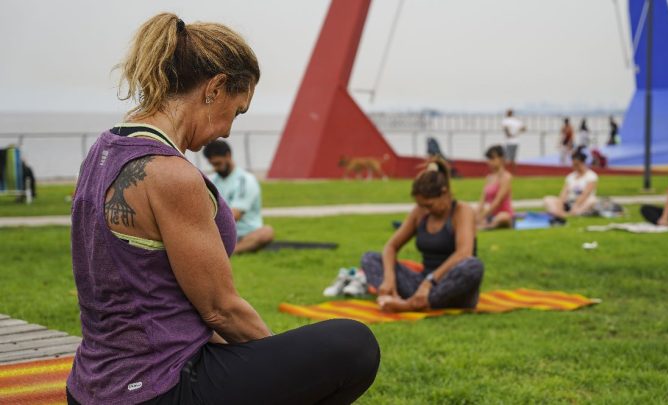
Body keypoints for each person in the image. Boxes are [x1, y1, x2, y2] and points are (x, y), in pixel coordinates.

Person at [67, 13, 379, 405]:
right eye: (238, 109)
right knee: (354, 344)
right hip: (156, 389)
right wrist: (282, 375)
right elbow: (220, 310)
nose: (230, 130)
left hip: (90, 387)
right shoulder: (171, 175)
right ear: (215, 88)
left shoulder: (104, 148)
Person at [360, 158, 483, 313]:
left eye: (429, 205)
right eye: (421, 205)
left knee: (473, 266)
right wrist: (389, 279)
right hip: (421, 285)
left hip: (452, 288)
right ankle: (397, 296)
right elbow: (391, 247)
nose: (426, 210)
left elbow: (463, 253)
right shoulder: (420, 213)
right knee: (370, 258)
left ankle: (410, 305)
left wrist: (429, 282)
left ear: (444, 193)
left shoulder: (462, 211)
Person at [204, 140, 273, 253]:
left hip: (246, 234)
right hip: (219, 233)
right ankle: (223, 250)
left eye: (218, 163)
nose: (215, 168)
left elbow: (234, 215)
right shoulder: (211, 180)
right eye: (212, 164)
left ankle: (229, 252)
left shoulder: (245, 180)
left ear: (228, 156)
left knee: (267, 232)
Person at [544, 146, 599, 219]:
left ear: (583, 163)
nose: (574, 167)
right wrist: (560, 206)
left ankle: (574, 213)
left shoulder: (591, 176)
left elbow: (585, 194)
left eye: (577, 165)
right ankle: (560, 213)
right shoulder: (570, 177)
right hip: (569, 202)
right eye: (573, 164)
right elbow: (564, 193)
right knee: (548, 199)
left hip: (582, 203)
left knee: (592, 200)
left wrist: (576, 205)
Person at [477, 145, 514, 230]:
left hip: (504, 215)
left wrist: (482, 216)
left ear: (501, 159)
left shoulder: (506, 177)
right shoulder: (489, 178)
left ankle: (487, 226)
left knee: (502, 217)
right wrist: (478, 214)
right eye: (489, 159)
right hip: (491, 215)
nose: (490, 162)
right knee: (471, 211)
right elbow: (482, 201)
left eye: (493, 159)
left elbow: (497, 201)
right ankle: (487, 225)